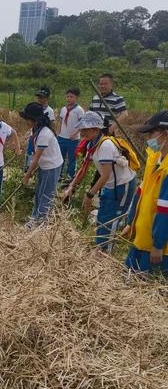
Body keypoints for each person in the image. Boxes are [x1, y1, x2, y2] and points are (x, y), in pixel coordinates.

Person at [64, 111, 136, 252]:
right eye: (82, 129)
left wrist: (90, 194)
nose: (83, 132)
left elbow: (105, 174)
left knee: (111, 220)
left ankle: (105, 255)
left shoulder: (106, 145)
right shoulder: (92, 144)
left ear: (96, 129)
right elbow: (84, 169)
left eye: (86, 130)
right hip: (110, 185)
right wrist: (71, 186)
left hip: (122, 186)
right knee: (102, 217)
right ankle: (100, 249)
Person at [123, 111, 168, 275]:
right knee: (128, 279)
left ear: (166, 134)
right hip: (142, 237)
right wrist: (130, 221)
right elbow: (141, 192)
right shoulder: (154, 159)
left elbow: (165, 211)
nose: (148, 138)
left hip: (159, 250)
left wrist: (158, 245)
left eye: (151, 133)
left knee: (146, 288)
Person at [21, 102, 63, 227]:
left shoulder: (44, 133)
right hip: (44, 164)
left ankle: (41, 222)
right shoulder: (35, 130)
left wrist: (27, 175)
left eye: (27, 119)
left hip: (51, 166)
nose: (26, 122)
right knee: (39, 192)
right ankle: (35, 217)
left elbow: (36, 157)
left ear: (33, 120)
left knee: (46, 194)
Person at [57, 88, 84, 183]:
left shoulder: (79, 110)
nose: (68, 98)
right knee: (60, 157)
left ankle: (70, 176)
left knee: (72, 158)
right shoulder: (63, 109)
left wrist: (75, 133)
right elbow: (60, 122)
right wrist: (58, 133)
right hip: (62, 137)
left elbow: (82, 124)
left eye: (71, 97)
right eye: (67, 96)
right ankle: (58, 175)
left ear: (76, 98)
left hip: (73, 139)